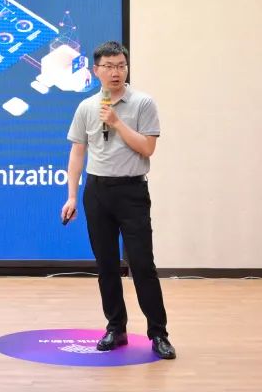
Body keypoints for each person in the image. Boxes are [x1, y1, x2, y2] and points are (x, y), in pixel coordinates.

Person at [60, 41, 176, 360]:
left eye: (121, 66)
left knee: (142, 265)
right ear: (96, 70)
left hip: (132, 192)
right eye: (109, 66)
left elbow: (147, 148)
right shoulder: (86, 107)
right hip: (97, 192)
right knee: (106, 266)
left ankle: (159, 333)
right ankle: (116, 328)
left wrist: (117, 122)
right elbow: (77, 152)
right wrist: (71, 196)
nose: (116, 72)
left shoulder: (142, 103)